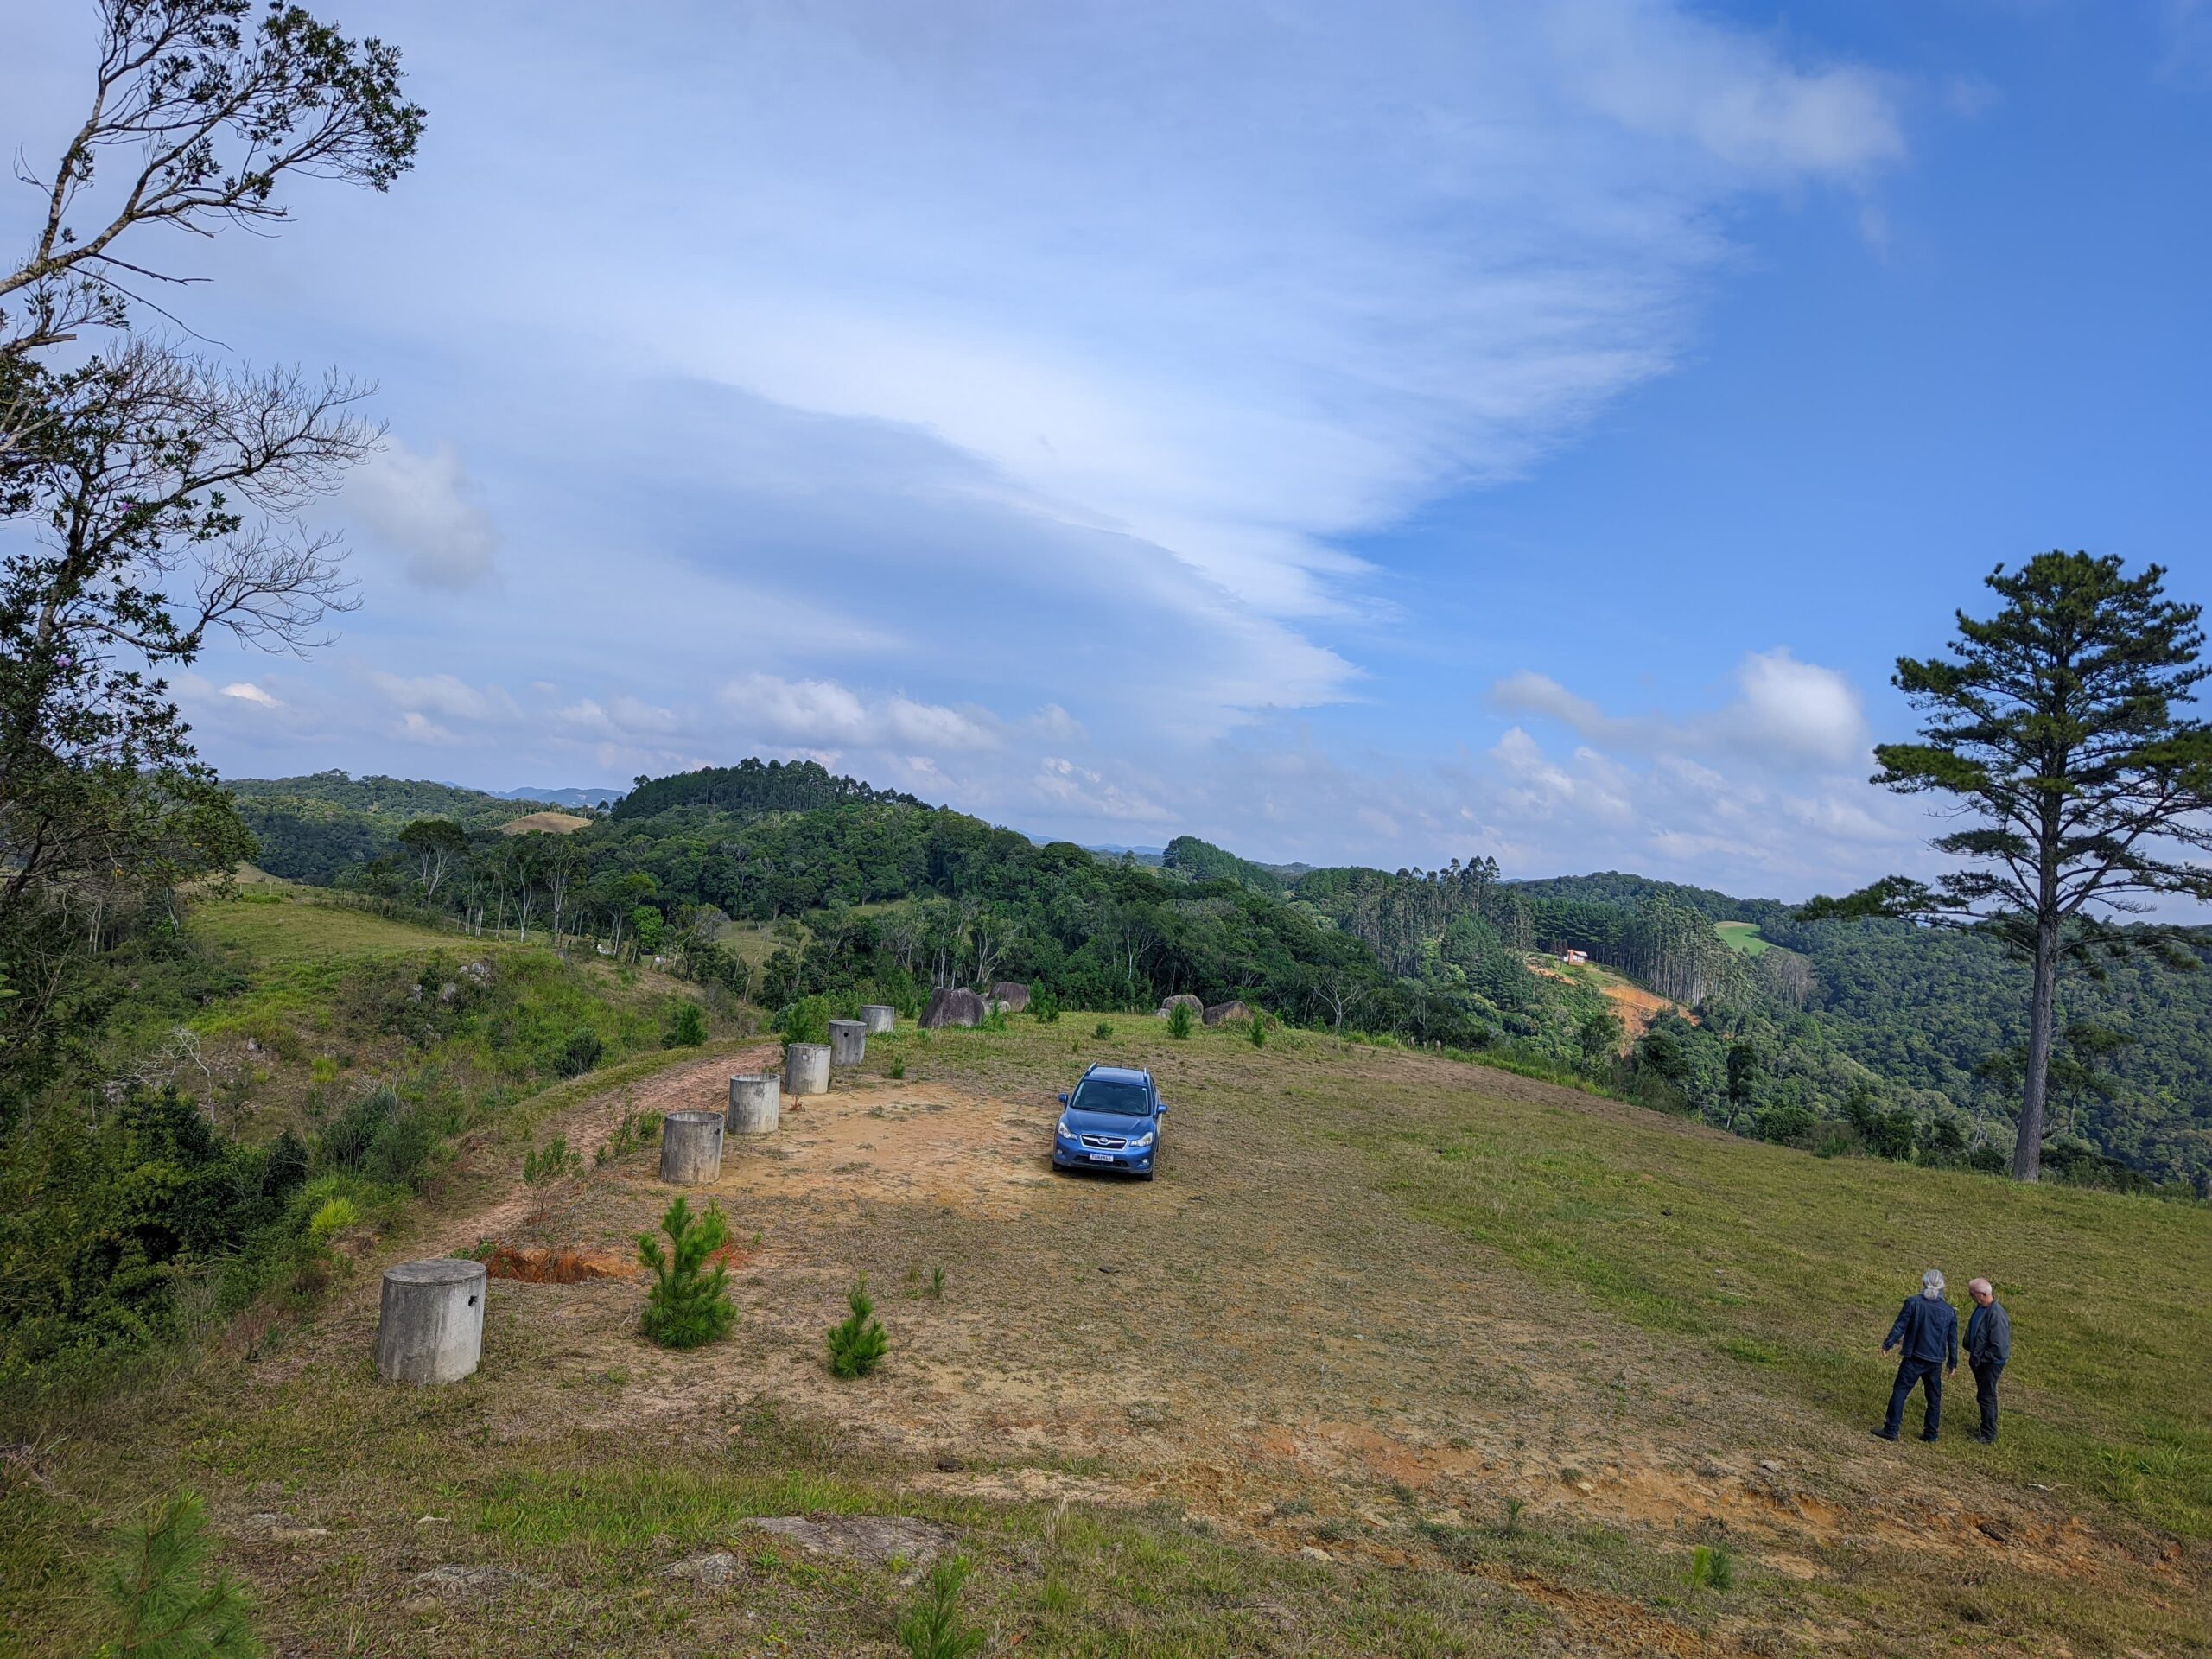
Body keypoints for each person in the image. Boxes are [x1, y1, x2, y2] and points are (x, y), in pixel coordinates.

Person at [1874, 1268, 1957, 1442]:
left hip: (1914, 1357)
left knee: (1900, 1391)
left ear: (1923, 1283)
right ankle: (1931, 1434)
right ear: (1943, 1287)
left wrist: (1888, 1344)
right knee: (1934, 1398)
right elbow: (1952, 1339)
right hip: (1935, 1361)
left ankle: (1891, 1429)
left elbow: (1900, 1326)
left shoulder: (1913, 1303)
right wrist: (1952, 1362)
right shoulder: (1949, 1311)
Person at [1964, 1277, 2012, 1444]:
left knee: (1986, 1397)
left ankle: (1988, 1434)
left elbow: (1998, 1347)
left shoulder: (1996, 1315)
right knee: (1984, 1395)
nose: (1971, 1297)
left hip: (1990, 1364)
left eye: (1973, 1294)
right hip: (1981, 1361)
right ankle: (1986, 1426)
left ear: (1983, 1294)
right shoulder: (1981, 1308)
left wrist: (1981, 1358)